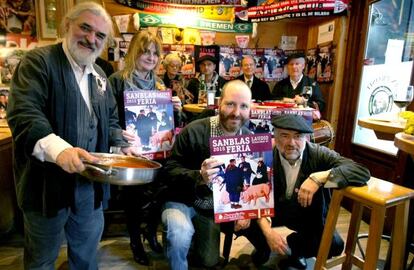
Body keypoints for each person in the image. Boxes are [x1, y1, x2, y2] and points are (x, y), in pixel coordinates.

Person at [6, 2, 134, 269]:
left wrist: (120, 143)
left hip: (89, 187)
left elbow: (108, 118)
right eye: (85, 28)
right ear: (66, 26)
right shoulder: (38, 63)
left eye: (99, 35)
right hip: (46, 188)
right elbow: (24, 114)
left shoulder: (99, 74)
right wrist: (61, 151)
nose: (91, 39)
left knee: (86, 257)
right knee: (41, 259)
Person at [162, 80, 270, 269]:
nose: (236, 112)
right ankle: (176, 245)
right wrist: (199, 176)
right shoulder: (194, 130)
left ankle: (193, 242)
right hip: (183, 200)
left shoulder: (251, 140)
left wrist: (244, 211)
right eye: (230, 104)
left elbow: (250, 182)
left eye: (243, 106)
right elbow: (169, 170)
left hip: (212, 209)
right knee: (179, 234)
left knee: (208, 260)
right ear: (219, 103)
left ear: (250, 108)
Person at [251, 114, 370, 269]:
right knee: (241, 219)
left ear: (306, 138)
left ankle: (296, 248)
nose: (291, 143)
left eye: (298, 136)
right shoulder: (264, 155)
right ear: (275, 136)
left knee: (334, 245)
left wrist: (319, 177)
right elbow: (251, 194)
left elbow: (361, 171)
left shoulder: (319, 153)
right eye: (284, 135)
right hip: (274, 211)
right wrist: (268, 234)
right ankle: (264, 246)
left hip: (306, 215)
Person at [109, 29, 182, 265]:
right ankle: (134, 240)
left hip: (157, 149)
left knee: (159, 193)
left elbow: (169, 123)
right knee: (133, 197)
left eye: (154, 53)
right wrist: (119, 134)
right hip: (130, 151)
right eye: (145, 52)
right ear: (133, 53)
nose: (150, 57)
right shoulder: (117, 81)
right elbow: (107, 118)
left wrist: (176, 109)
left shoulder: (160, 84)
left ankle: (150, 231)